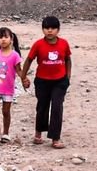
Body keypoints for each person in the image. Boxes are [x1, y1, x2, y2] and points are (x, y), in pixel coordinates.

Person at [20, 15, 72, 149]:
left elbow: (67, 60)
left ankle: (55, 138)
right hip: (42, 81)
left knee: (57, 107)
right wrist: (23, 77)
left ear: (58, 30)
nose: (50, 31)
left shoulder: (64, 43)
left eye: (53, 28)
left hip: (60, 81)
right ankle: (38, 132)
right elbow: (29, 60)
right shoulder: (38, 44)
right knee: (42, 107)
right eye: (46, 28)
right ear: (42, 29)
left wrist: (68, 78)